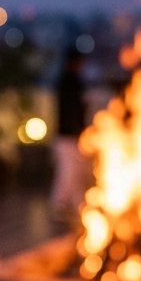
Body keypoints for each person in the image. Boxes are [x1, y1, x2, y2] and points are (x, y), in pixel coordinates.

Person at [50, 48, 90, 218]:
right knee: (69, 171)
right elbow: (73, 111)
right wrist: (79, 130)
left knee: (77, 172)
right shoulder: (70, 82)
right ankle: (58, 204)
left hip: (70, 135)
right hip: (68, 136)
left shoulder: (67, 81)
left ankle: (79, 207)